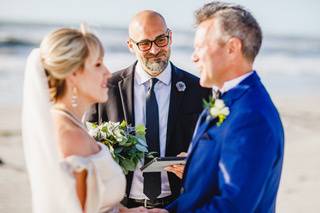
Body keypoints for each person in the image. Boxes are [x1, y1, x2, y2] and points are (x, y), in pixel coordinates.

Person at [152, 2, 285, 212]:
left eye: (200, 47)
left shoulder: (251, 116)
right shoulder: (227, 98)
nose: (193, 57)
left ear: (232, 48)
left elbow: (233, 206)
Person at [85, 10, 211, 209]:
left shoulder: (201, 90)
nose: (154, 50)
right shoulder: (106, 88)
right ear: (130, 46)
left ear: (170, 37)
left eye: (160, 40)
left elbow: (213, 152)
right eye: (144, 43)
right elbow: (88, 150)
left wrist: (196, 162)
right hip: (122, 206)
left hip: (179, 205)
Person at [22, 26, 126, 213]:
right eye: (98, 64)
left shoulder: (68, 123)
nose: (108, 72)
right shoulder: (70, 136)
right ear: (73, 74)